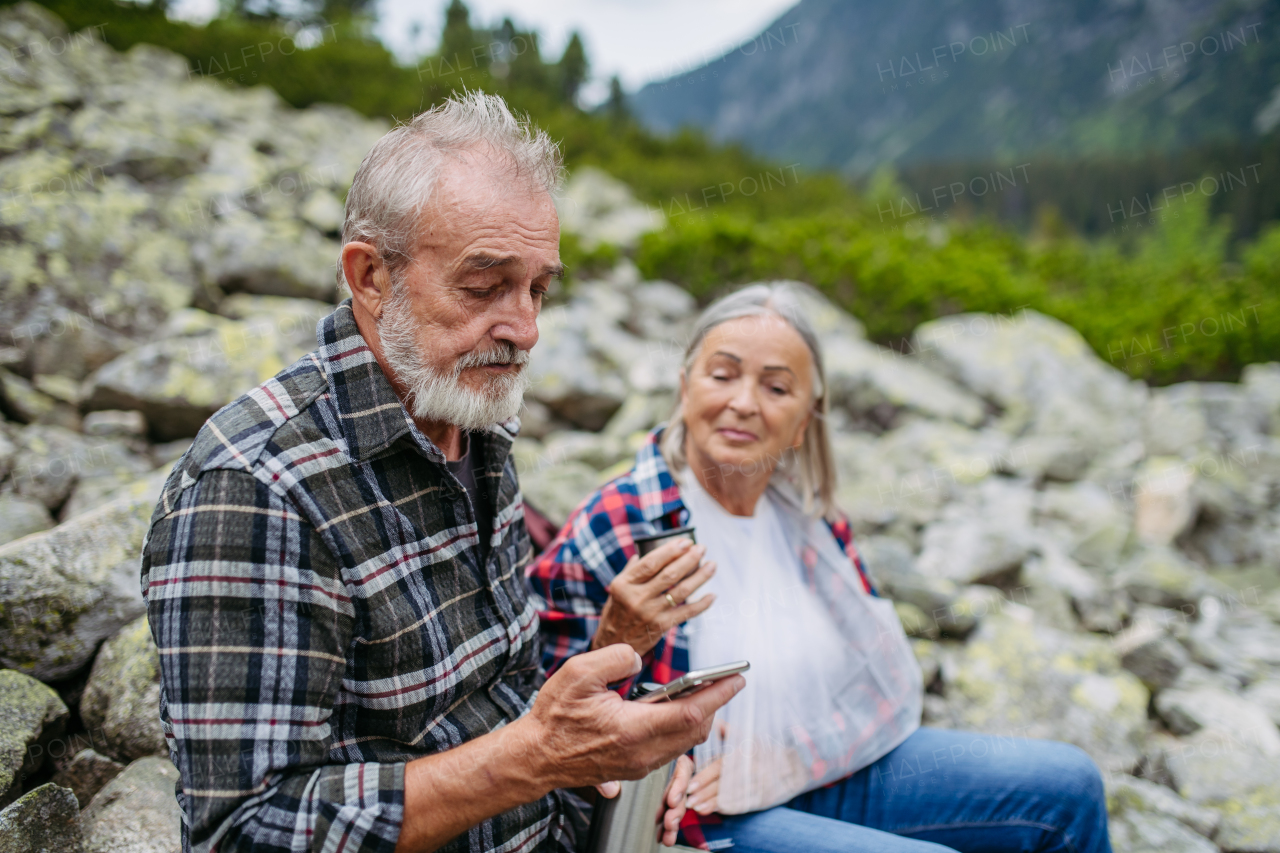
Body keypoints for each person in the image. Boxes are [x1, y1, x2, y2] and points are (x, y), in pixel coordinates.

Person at [140, 92, 743, 853]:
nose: (524, 329)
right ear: (370, 276)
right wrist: (538, 758)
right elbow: (245, 831)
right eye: (484, 285)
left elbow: (502, 704)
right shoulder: (257, 488)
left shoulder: (471, 418)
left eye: (538, 288)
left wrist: (616, 762)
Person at [527, 284, 1113, 853]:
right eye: (722, 375)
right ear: (685, 389)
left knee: (1070, 785)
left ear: (806, 418)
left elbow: (872, 676)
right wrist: (646, 686)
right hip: (697, 812)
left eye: (777, 387)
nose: (744, 403)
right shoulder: (625, 518)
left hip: (825, 770)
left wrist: (794, 754)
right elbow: (550, 720)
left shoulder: (810, 519)